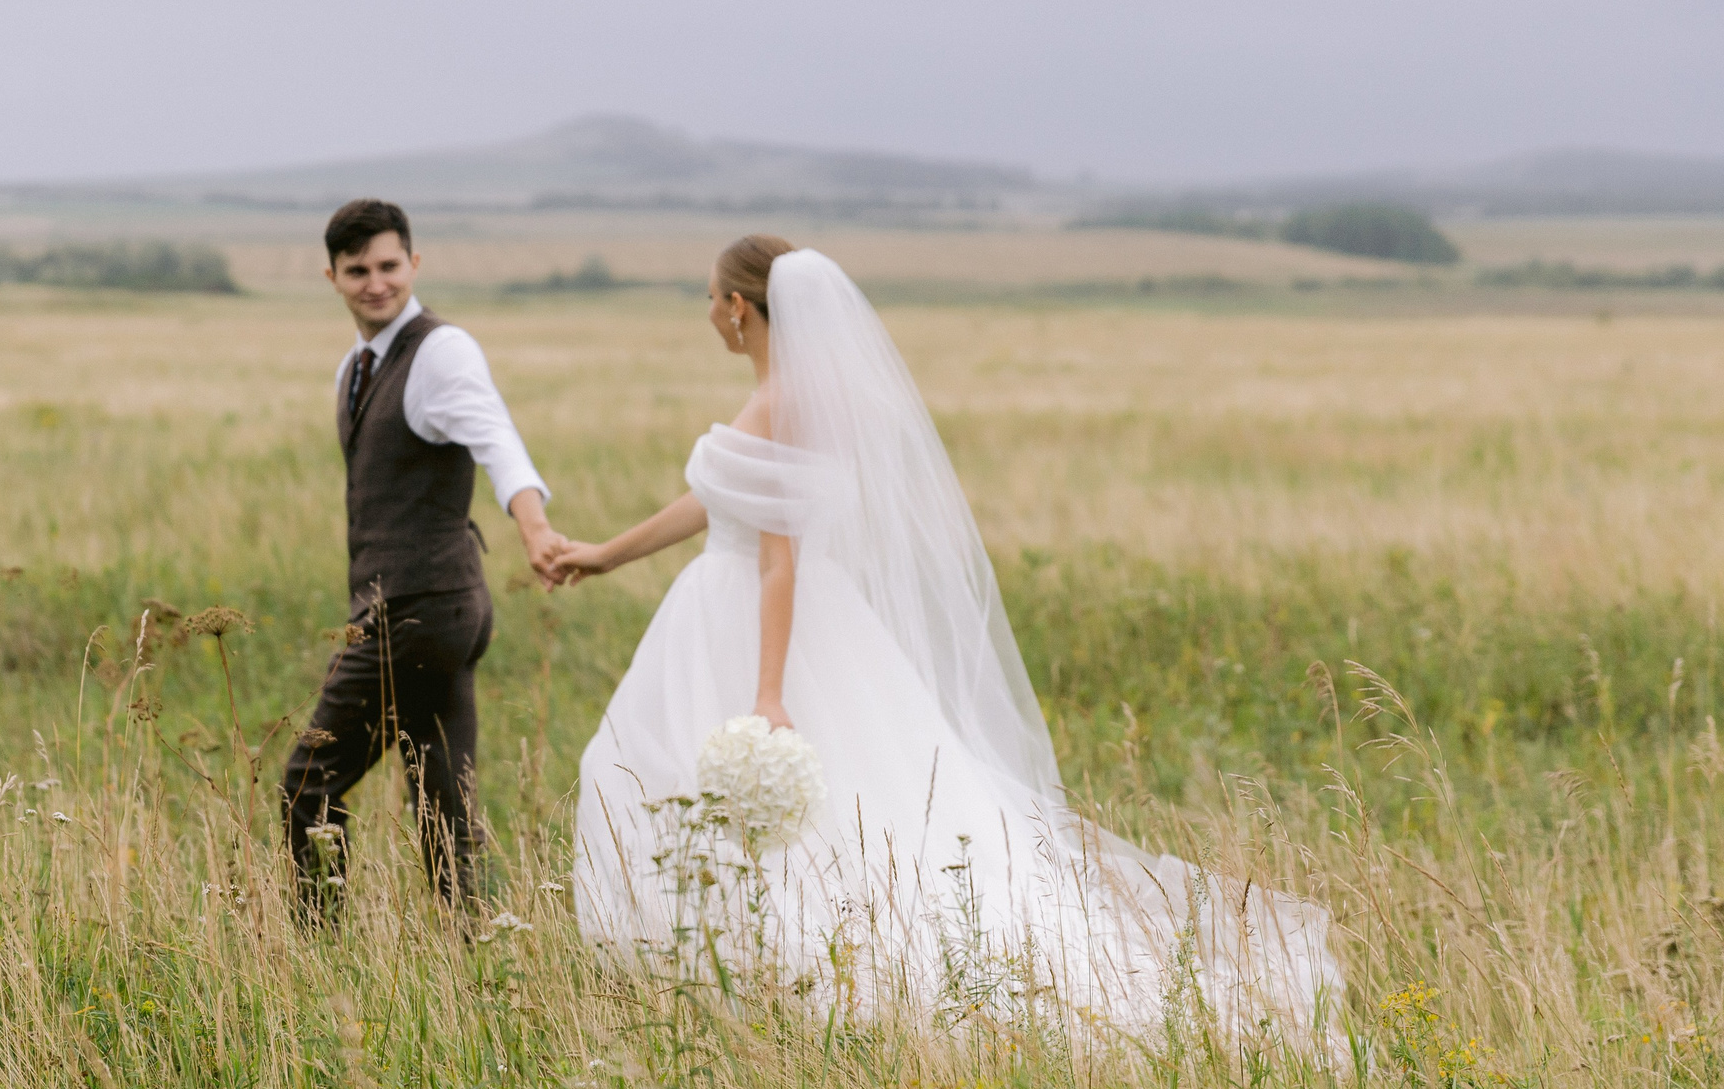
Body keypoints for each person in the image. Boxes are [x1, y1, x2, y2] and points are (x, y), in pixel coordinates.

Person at [551, 237, 1339, 1042]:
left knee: (774, 803)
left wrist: (768, 693)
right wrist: (606, 554)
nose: (708, 314)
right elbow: (723, 498)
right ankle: (725, 961)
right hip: (753, 611)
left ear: (737, 307)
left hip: (757, 624)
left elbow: (777, 562)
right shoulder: (791, 396)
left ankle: (781, 964)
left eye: (709, 298)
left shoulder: (782, 402)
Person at [281, 198, 567, 923]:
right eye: (358, 271)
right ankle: (472, 949)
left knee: (308, 781)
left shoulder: (441, 352)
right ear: (332, 277)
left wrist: (534, 527)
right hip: (437, 606)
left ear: (414, 263)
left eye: (389, 265)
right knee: (444, 801)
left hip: (419, 610)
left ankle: (316, 945)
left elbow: (496, 439)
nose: (376, 283)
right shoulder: (355, 367)